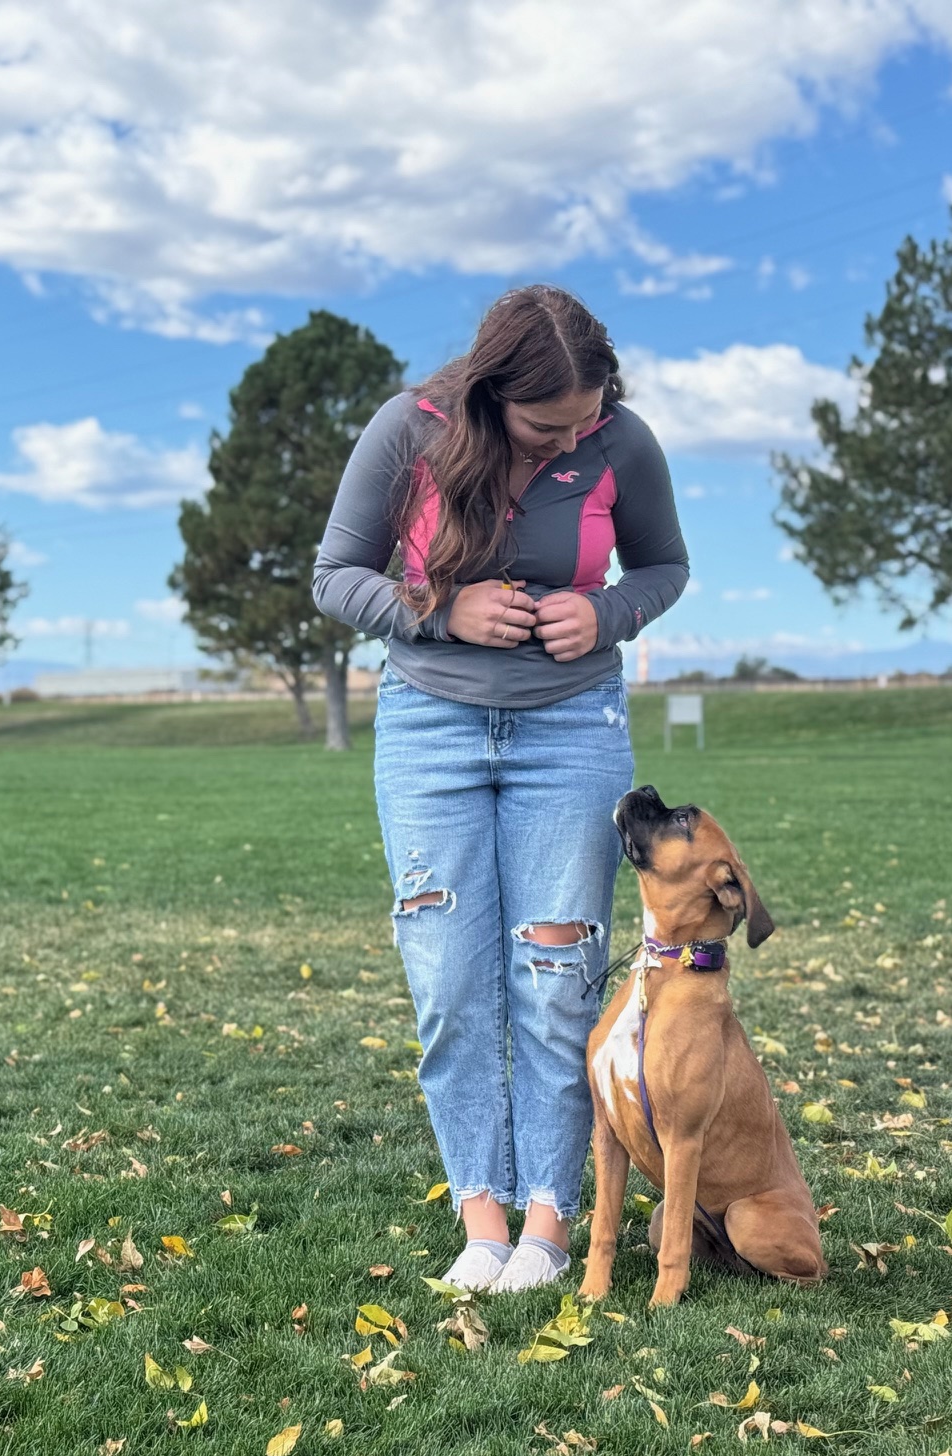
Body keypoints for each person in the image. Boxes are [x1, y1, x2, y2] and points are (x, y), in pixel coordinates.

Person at [312, 286, 688, 1293]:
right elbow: (336, 576)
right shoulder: (409, 431)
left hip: (572, 731)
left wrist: (607, 616)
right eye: (543, 424)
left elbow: (663, 567)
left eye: (584, 418)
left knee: (557, 978)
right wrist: (438, 606)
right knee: (449, 983)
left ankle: (551, 1228)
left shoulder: (623, 442)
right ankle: (483, 1224)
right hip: (429, 727)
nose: (568, 437)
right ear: (489, 397)